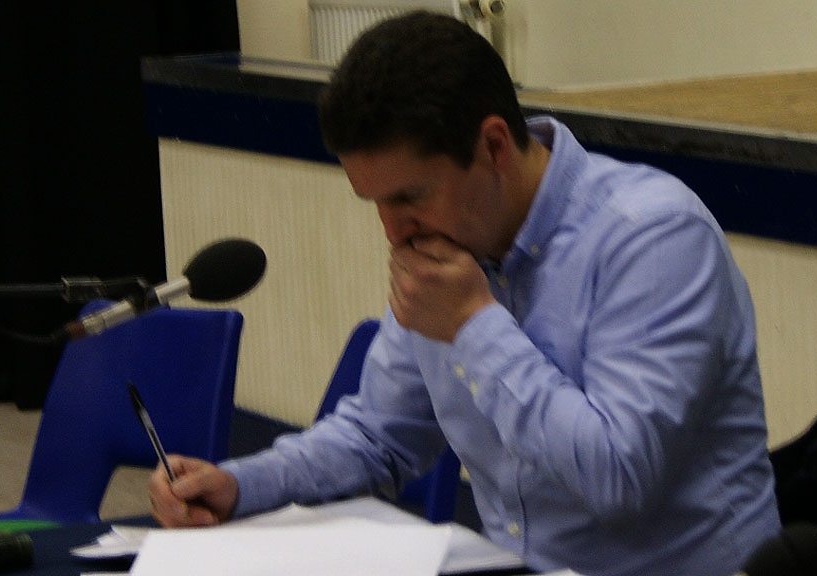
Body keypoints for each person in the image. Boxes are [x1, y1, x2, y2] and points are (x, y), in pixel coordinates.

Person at [147, 11, 781, 576]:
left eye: (410, 197)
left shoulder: (653, 238)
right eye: (374, 203)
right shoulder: (453, 249)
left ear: (494, 146)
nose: (393, 231)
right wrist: (238, 484)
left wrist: (475, 325)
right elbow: (379, 436)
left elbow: (619, 479)